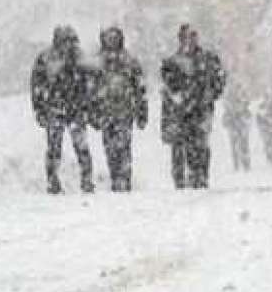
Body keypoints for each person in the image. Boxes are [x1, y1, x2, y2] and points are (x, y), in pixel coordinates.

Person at [160, 24, 226, 189]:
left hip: (201, 109)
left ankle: (200, 177)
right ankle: (180, 179)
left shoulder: (208, 59)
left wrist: (211, 94)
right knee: (178, 146)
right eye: (186, 37)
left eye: (192, 37)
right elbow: (168, 87)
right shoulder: (172, 62)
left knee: (200, 145)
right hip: (179, 111)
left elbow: (219, 79)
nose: (189, 41)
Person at [30, 25, 94, 194]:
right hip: (55, 109)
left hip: (75, 109)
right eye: (65, 40)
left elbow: (90, 84)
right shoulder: (46, 58)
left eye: (71, 40)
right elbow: (37, 85)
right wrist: (39, 109)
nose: (68, 44)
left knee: (81, 147)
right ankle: (53, 181)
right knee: (54, 148)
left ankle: (87, 181)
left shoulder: (80, 58)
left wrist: (89, 106)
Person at [90, 26, 147, 191]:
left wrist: (142, 111)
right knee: (110, 148)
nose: (112, 41)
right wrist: (92, 112)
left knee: (124, 147)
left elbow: (140, 88)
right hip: (105, 112)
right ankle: (115, 177)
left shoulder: (129, 61)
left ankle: (125, 178)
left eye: (115, 38)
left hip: (124, 112)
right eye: (109, 38)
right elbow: (90, 89)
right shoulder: (98, 62)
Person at [222, 80, 252, 172]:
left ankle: (243, 164)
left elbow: (247, 102)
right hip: (235, 121)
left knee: (241, 143)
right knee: (238, 143)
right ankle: (240, 164)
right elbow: (226, 105)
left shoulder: (239, 92)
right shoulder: (230, 94)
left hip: (239, 120)